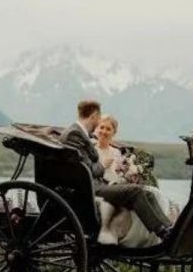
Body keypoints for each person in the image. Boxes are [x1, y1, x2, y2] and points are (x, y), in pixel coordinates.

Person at [59, 100, 172, 245]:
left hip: (98, 184)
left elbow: (85, 164)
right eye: (99, 119)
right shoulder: (74, 134)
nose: (99, 124)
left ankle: (168, 228)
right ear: (94, 116)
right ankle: (162, 232)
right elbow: (87, 168)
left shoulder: (79, 134)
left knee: (148, 193)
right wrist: (101, 165)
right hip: (90, 189)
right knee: (136, 191)